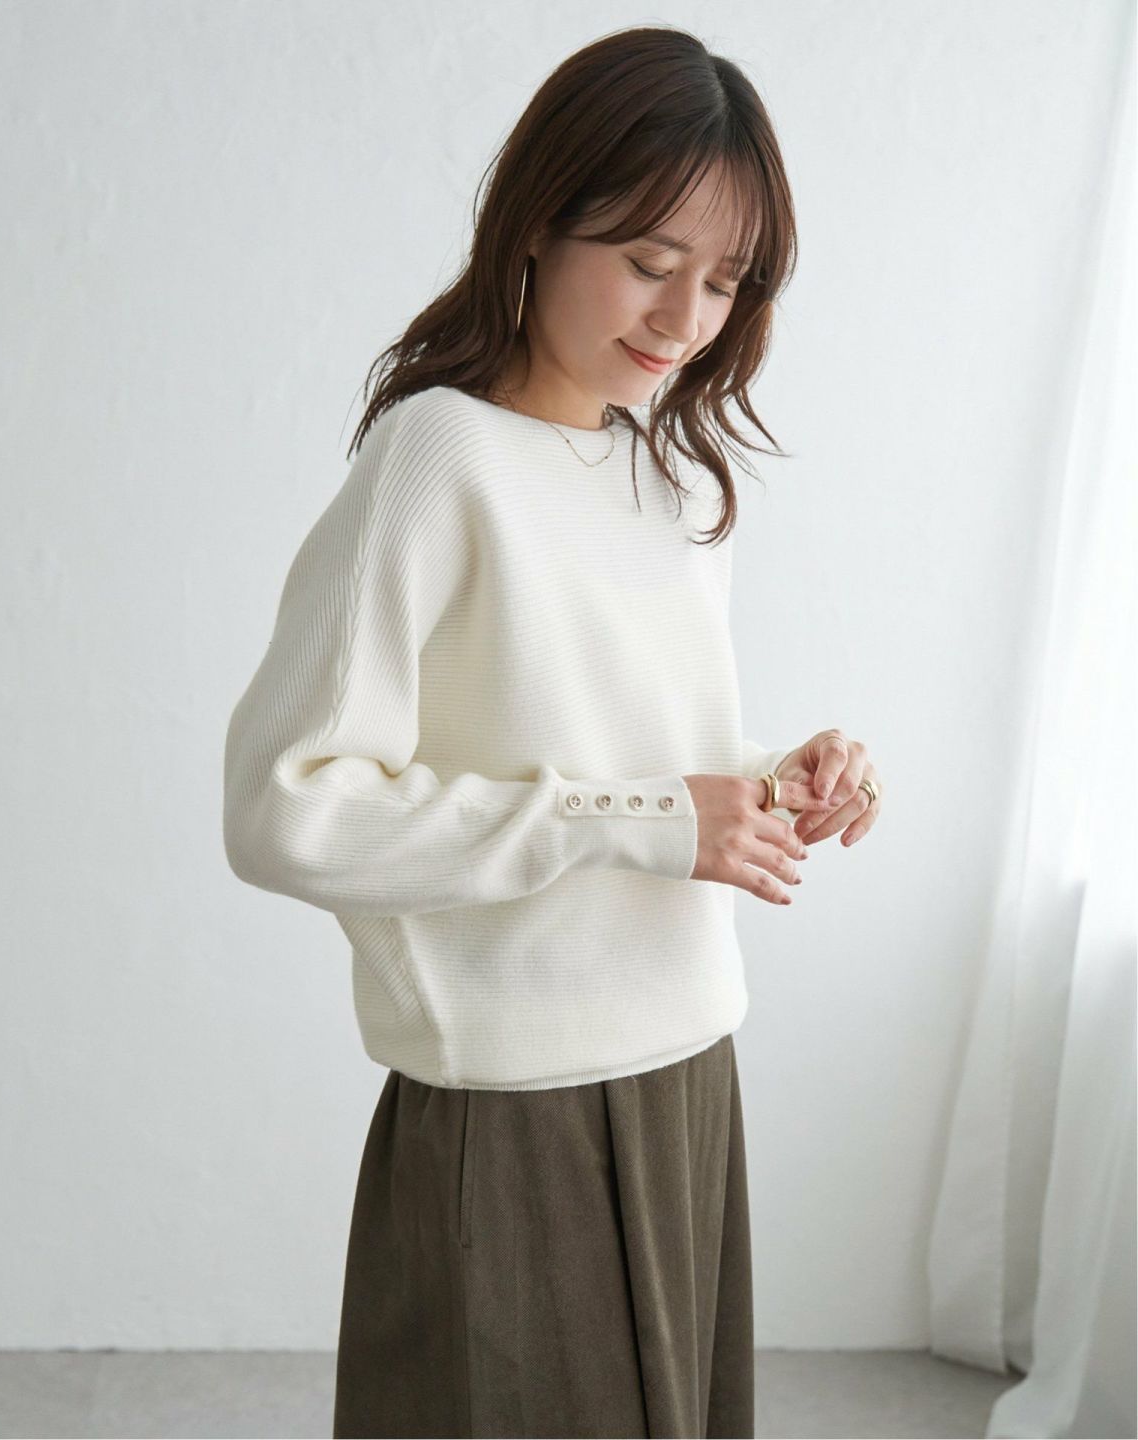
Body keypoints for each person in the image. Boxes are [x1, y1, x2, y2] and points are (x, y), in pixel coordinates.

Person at [222, 23, 882, 1440]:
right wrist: (654, 822)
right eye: (650, 260)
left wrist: (775, 782)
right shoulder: (436, 457)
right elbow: (285, 808)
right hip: (516, 1097)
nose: (686, 316)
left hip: (689, 1067)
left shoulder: (671, 482)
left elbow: (620, 755)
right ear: (538, 221)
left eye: (726, 280)